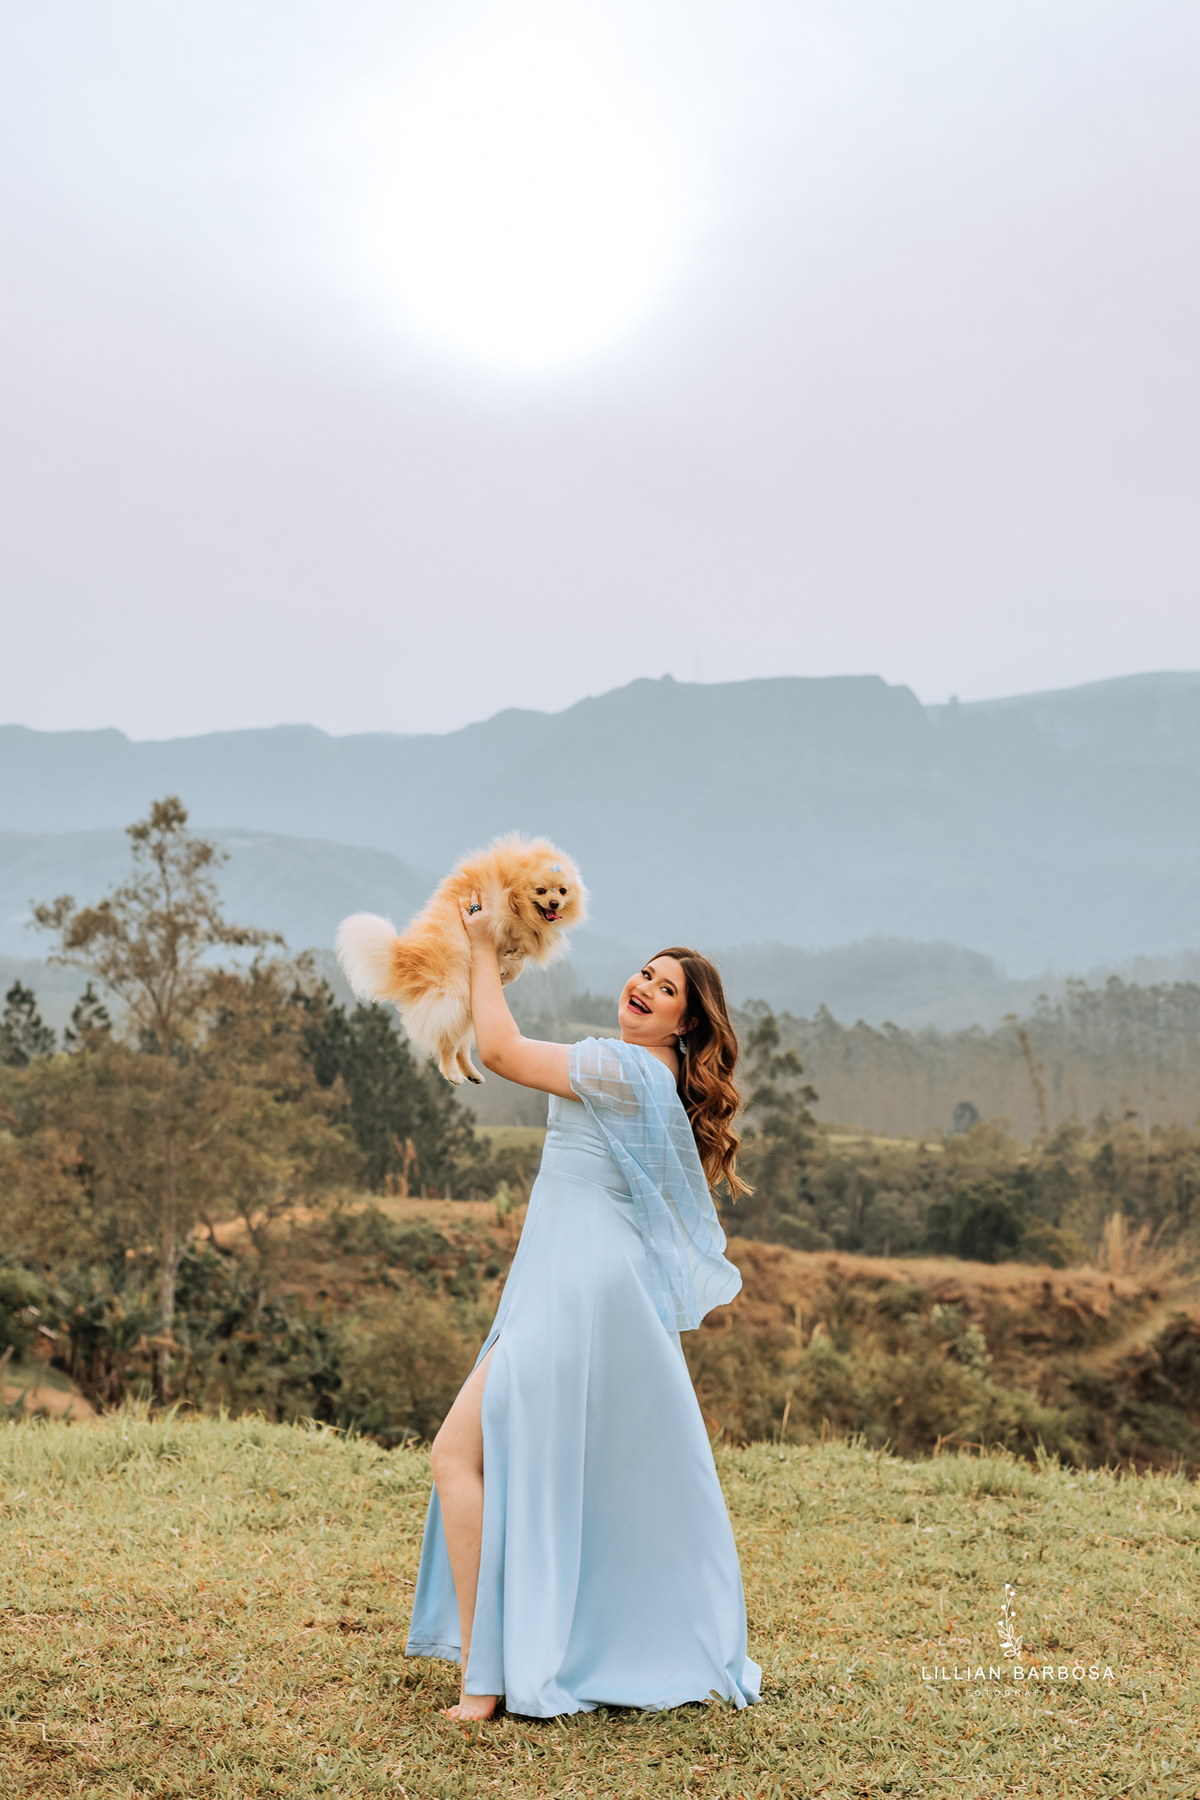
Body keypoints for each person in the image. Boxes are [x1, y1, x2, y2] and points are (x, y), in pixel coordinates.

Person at [404, 892, 761, 1720]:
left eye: (665, 988)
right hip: (588, 1288)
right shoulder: (653, 1076)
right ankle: (501, 1664)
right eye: (643, 972)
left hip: (574, 1293)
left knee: (458, 1457)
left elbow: (499, 1049)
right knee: (517, 1463)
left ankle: (484, 1683)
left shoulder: (624, 1066)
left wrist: (484, 946)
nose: (643, 986)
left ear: (685, 1023)